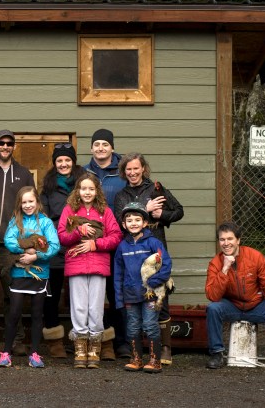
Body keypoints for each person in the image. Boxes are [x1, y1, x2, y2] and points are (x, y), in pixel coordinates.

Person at [114, 152, 184, 365]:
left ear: (143, 168)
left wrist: (160, 215)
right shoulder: (121, 195)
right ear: (123, 172)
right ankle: (140, 353)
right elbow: (120, 221)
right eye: (128, 169)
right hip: (133, 251)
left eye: (136, 168)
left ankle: (165, 348)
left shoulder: (156, 188)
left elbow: (179, 211)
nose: (133, 172)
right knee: (136, 302)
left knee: (160, 298)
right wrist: (145, 208)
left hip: (155, 247)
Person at [205, 221, 265, 372]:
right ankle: (216, 354)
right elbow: (213, 296)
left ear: (238, 240)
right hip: (232, 305)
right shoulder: (215, 263)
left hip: (255, 305)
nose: (226, 243)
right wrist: (225, 269)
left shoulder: (255, 257)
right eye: (222, 239)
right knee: (213, 309)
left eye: (230, 239)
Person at [57, 173, 122, 368]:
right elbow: (62, 236)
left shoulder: (105, 212)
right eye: (83, 189)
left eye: (91, 189)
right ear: (78, 191)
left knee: (95, 307)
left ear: (97, 191)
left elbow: (116, 236)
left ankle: (94, 347)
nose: (87, 192)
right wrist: (79, 232)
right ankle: (80, 348)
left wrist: (95, 244)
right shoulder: (69, 210)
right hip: (76, 265)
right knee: (78, 307)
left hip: (97, 265)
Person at [0, 129, 35, 355]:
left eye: (9, 143)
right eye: (1, 143)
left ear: (14, 146)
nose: (5, 147)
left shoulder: (23, 173)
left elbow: (32, 207)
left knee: (12, 293)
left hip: (11, 243)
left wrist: (28, 240)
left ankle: (17, 339)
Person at [0, 186, 59, 368]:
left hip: (40, 273)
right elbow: (9, 240)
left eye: (31, 201)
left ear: (37, 202)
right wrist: (25, 249)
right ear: (19, 204)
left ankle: (34, 353)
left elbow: (54, 246)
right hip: (18, 272)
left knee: (37, 314)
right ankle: (6, 353)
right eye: (24, 202)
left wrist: (36, 256)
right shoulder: (16, 221)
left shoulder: (46, 223)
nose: (27, 205)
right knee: (14, 312)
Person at [84, 128, 129, 359]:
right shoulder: (84, 172)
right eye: (97, 144)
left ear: (112, 147)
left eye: (105, 144)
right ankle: (93, 341)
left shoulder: (123, 172)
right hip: (90, 244)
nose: (100, 148)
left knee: (116, 292)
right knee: (92, 295)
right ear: (91, 148)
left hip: (118, 241)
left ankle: (119, 341)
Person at [39, 143, 86, 358]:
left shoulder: (85, 182)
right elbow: (44, 218)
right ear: (54, 163)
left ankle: (83, 339)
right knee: (53, 293)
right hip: (57, 245)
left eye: (67, 160)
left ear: (73, 161)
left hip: (82, 244)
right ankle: (55, 340)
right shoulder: (48, 186)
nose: (63, 164)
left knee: (81, 294)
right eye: (59, 160)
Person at [114, 202, 172, 374]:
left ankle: (155, 360)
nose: (133, 223)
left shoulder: (153, 243)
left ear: (145, 223)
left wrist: (153, 283)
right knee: (132, 326)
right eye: (129, 220)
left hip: (150, 295)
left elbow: (166, 265)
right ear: (124, 225)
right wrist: (119, 298)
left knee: (150, 325)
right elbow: (118, 274)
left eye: (137, 219)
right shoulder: (122, 247)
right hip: (130, 294)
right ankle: (136, 359)